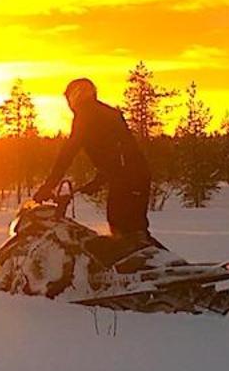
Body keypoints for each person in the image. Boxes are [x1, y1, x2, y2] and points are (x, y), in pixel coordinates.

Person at [32, 77, 155, 262]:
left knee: (123, 227)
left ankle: (145, 270)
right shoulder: (105, 112)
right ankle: (151, 266)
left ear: (76, 96)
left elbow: (69, 151)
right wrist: (98, 181)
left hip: (127, 178)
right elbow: (117, 150)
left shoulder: (86, 114)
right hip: (132, 175)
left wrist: (49, 185)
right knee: (131, 228)